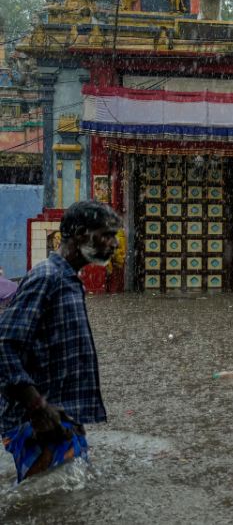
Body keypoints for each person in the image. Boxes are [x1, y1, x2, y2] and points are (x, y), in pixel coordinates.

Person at [0, 200, 120, 482]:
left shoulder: (69, 280)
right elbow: (4, 344)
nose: (114, 244)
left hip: (60, 419)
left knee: (62, 502)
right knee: (39, 501)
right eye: (106, 235)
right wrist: (38, 408)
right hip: (38, 423)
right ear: (80, 234)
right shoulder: (47, 278)